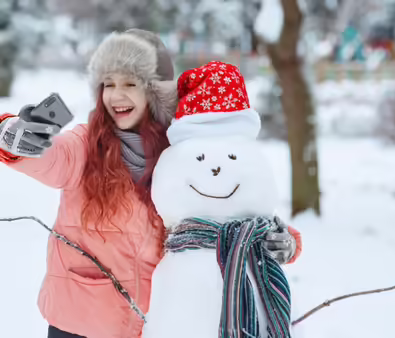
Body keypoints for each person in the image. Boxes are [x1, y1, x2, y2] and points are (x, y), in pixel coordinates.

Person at [0, 29, 302, 338]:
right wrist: (15, 135)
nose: (116, 96)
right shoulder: (83, 144)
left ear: (155, 93)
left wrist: (281, 241)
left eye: (130, 84)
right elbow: (48, 158)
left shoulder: (180, 154)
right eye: (109, 84)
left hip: (154, 322)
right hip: (80, 321)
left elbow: (229, 208)